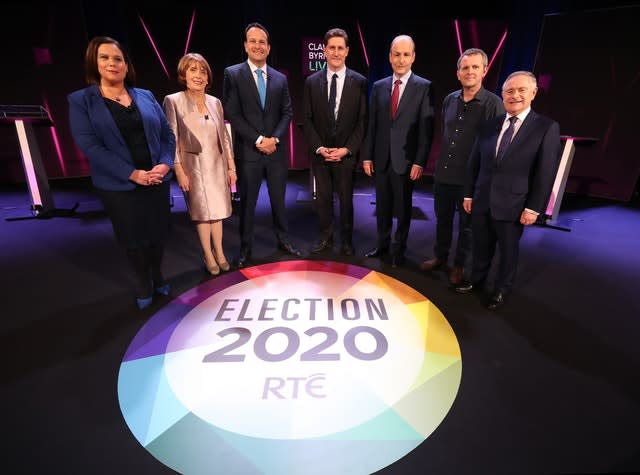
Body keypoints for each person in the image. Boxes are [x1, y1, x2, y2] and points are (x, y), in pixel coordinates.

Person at [68, 36, 175, 310]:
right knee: (134, 238)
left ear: (127, 66)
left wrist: (165, 164)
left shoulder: (146, 96)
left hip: (156, 180)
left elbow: (167, 135)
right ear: (95, 62)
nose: (112, 63)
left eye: (118, 59)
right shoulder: (82, 101)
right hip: (119, 185)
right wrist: (132, 173)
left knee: (157, 233)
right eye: (105, 58)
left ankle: (158, 273)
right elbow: (90, 145)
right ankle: (143, 281)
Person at [454, 71, 561, 310]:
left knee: (508, 251)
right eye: (509, 91)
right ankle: (476, 280)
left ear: (533, 93)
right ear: (502, 95)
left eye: (521, 90)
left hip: (514, 204)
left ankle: (501, 290)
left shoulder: (546, 127)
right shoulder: (490, 125)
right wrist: (469, 194)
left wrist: (534, 207)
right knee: (481, 245)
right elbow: (475, 162)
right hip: (482, 200)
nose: (515, 96)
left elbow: (545, 173)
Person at [420, 48, 504, 285]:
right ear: (458, 73)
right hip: (444, 174)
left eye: (475, 67)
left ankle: (459, 266)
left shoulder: (493, 104)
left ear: (484, 71)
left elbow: (491, 149)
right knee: (443, 221)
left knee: (467, 228)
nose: (469, 72)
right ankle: (440, 257)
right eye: (465, 67)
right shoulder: (449, 100)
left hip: (471, 181)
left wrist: (479, 183)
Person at [223, 22, 301, 269]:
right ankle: (246, 248)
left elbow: (287, 113)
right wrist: (258, 140)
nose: (257, 46)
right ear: (245, 46)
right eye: (252, 41)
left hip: (275, 152)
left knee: (279, 200)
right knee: (248, 204)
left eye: (262, 42)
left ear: (268, 48)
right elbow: (233, 114)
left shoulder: (280, 78)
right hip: (249, 152)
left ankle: (283, 240)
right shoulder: (233, 74)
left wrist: (275, 139)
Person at [363, 35, 435, 267]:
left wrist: (420, 161)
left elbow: (426, 129)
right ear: (390, 57)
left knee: (403, 209)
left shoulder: (424, 87)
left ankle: (398, 249)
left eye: (406, 54)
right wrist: (367, 156)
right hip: (382, 159)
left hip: (406, 161)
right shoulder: (379, 86)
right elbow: (372, 125)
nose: (401, 59)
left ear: (413, 57)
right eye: (396, 54)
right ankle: (382, 244)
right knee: (382, 206)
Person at [163, 53, 236, 276]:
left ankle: (220, 252)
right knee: (202, 212)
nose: (198, 75)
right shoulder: (173, 101)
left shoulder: (215, 102)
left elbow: (224, 137)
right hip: (193, 166)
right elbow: (171, 137)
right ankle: (207, 253)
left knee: (218, 211)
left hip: (217, 164)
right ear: (184, 75)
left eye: (202, 71)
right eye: (193, 70)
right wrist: (179, 170)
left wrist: (231, 167)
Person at [303, 27, 368, 256]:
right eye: (332, 47)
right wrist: (320, 148)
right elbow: (307, 120)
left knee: (346, 201)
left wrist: (347, 149)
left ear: (347, 51)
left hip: (346, 156)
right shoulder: (311, 82)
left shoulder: (359, 81)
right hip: (321, 155)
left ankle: (347, 241)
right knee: (323, 200)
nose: (336, 52)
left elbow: (362, 121)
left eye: (341, 48)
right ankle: (326, 238)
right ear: (324, 50)